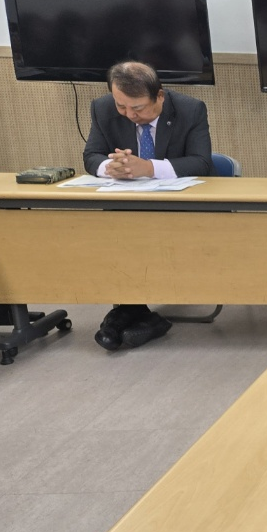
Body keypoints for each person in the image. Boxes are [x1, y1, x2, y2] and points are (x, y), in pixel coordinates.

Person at [83, 60, 213, 350]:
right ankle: (133, 311)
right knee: (111, 234)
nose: (130, 115)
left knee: (140, 235)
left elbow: (202, 163)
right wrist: (109, 167)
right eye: (121, 107)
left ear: (160, 96)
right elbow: (91, 155)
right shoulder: (102, 108)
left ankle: (130, 315)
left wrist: (149, 167)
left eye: (138, 108)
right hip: (124, 207)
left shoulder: (190, 109)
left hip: (178, 208)